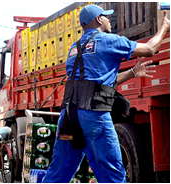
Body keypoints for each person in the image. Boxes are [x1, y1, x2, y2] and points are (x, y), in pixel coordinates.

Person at [42, 4, 170, 183]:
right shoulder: (109, 40)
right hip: (93, 115)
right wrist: (165, 26)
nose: (110, 20)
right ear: (98, 19)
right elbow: (149, 49)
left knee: (58, 172)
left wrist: (133, 72)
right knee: (112, 174)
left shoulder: (74, 48)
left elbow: (98, 82)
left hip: (69, 117)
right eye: (107, 16)